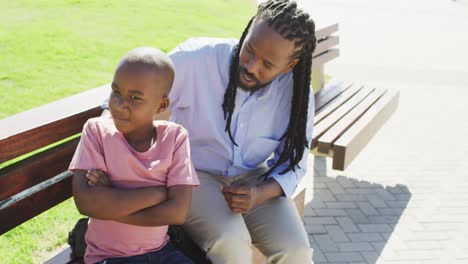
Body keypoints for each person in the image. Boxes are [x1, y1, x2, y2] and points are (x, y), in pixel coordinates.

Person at [168, 0, 317, 263]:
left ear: (289, 66)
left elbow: (295, 162)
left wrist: (260, 193)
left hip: (253, 179)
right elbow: (127, 98)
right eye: (249, 50)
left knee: (296, 251)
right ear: (248, 31)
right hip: (192, 175)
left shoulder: (296, 95)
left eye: (267, 64)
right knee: (231, 240)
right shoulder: (197, 59)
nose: (250, 66)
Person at [70, 47, 199, 264]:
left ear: (161, 105)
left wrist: (111, 203)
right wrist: (158, 194)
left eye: (134, 98)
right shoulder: (97, 132)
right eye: (116, 91)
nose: (120, 105)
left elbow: (177, 212)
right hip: (109, 257)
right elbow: (86, 202)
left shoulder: (175, 138)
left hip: (162, 253)